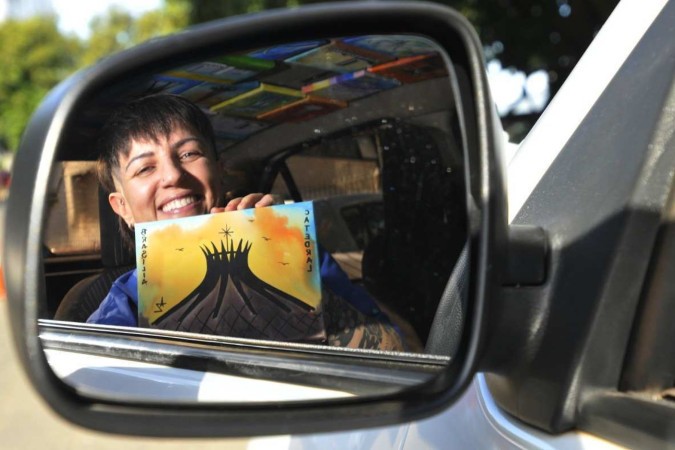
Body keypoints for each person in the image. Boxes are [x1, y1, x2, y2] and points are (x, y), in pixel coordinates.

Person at [87, 94, 405, 351]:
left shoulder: (301, 254)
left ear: (219, 172)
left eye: (188, 154)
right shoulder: (122, 308)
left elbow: (396, 354)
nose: (172, 175)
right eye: (145, 169)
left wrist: (291, 265)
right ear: (123, 207)